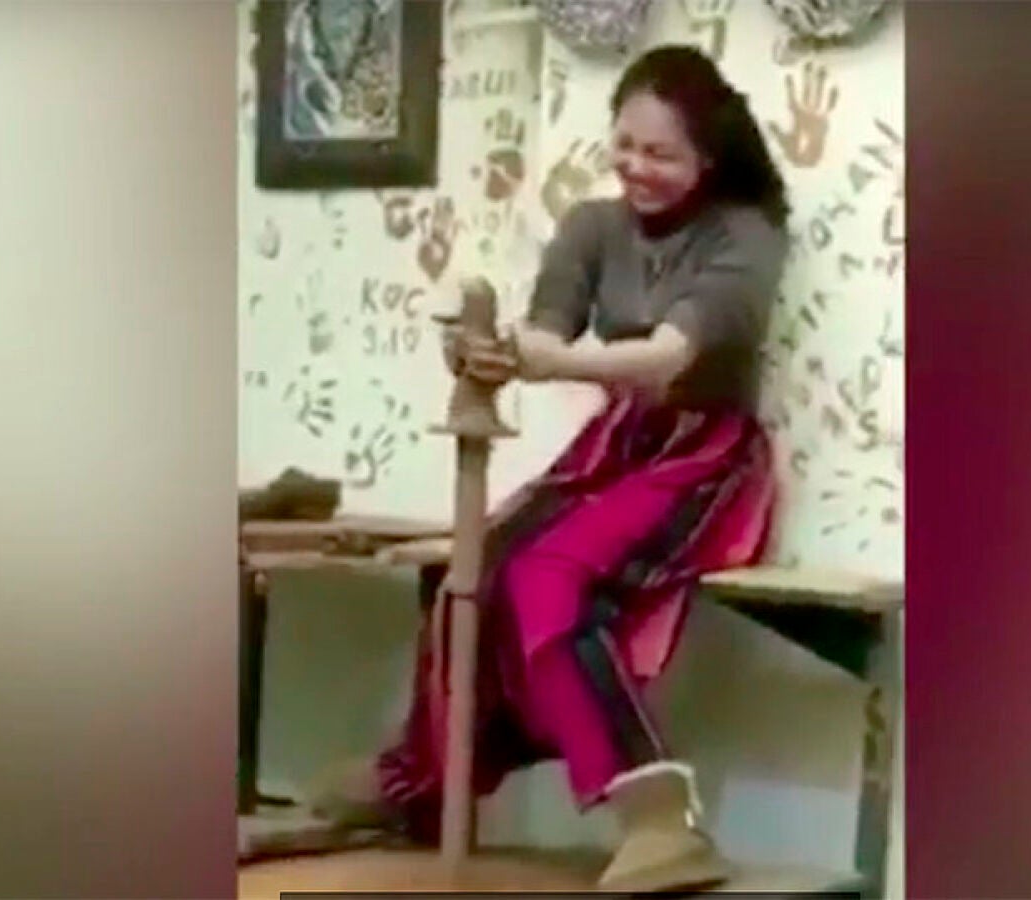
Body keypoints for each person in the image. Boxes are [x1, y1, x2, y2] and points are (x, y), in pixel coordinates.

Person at [305, 44, 790, 894]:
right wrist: (497, 352)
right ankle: (421, 784)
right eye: (625, 145)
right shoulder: (592, 226)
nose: (635, 167)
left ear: (708, 160)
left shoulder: (746, 236)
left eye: (661, 154)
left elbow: (666, 357)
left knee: (550, 580)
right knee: (478, 568)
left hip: (704, 454)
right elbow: (546, 332)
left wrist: (549, 366)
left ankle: (658, 818)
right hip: (620, 440)